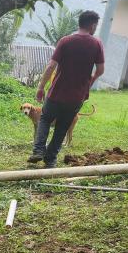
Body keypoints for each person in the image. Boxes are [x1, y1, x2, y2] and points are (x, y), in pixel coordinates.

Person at [31, 10, 106, 168]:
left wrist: (40, 87)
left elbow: (51, 66)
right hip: (77, 96)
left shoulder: (65, 41)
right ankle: (50, 159)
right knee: (62, 126)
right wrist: (89, 82)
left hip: (56, 93)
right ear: (92, 25)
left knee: (45, 119)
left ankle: (38, 150)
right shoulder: (96, 44)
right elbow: (100, 70)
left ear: (80, 23)